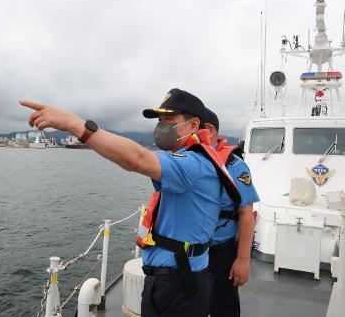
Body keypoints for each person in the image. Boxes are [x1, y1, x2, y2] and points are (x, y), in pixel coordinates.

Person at [20, 88, 240, 317]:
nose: (161, 126)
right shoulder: (190, 160)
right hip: (168, 281)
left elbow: (136, 158)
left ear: (194, 125)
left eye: (169, 120)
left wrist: (75, 124)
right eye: (160, 120)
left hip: (180, 287)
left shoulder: (194, 164)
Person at [204, 108, 260, 317]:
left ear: (209, 130)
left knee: (223, 307)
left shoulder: (235, 166)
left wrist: (243, 260)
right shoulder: (188, 160)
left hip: (220, 253)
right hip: (188, 254)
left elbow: (246, 214)